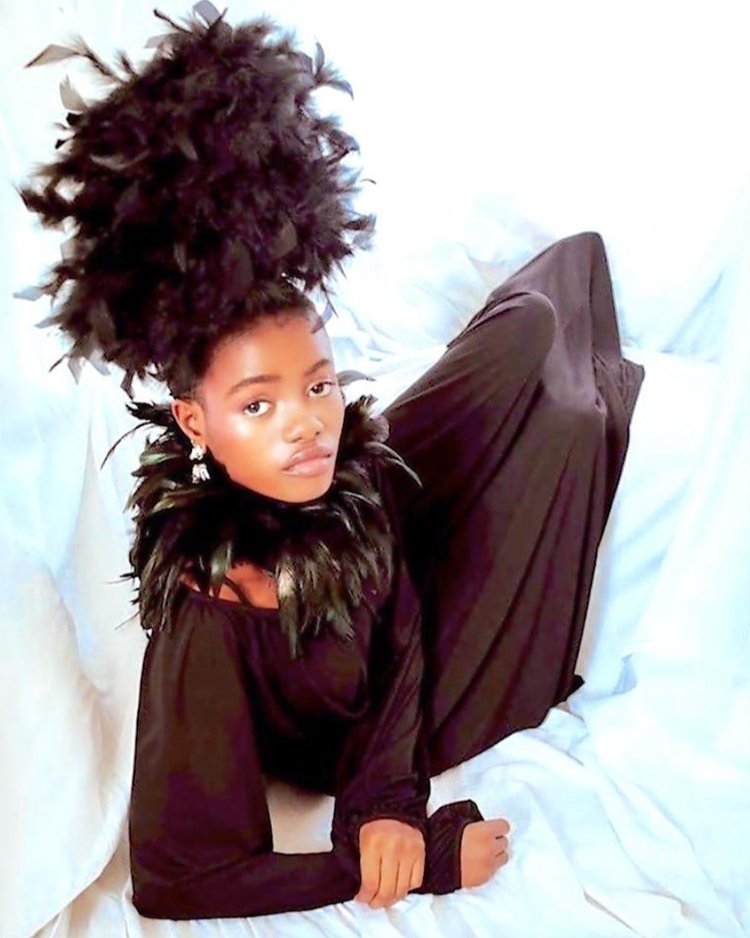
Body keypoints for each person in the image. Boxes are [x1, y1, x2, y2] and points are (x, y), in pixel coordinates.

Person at [17, 2, 644, 921]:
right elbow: (177, 879)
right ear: (195, 421)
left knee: (540, 318)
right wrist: (405, 841)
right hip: (358, 724)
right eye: (258, 405)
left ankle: (479, 393)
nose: (306, 423)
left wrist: (385, 799)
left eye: (318, 384)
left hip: (384, 576)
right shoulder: (213, 607)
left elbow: (395, 615)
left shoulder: (344, 461)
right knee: (569, 429)